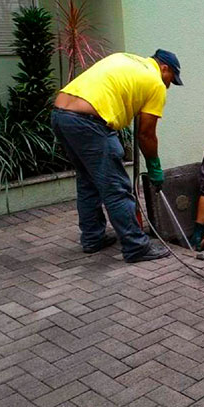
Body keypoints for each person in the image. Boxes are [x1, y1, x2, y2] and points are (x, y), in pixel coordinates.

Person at [51, 50, 182, 263]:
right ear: (164, 68)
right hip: (88, 122)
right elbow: (146, 134)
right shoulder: (155, 82)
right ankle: (136, 247)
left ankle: (93, 238)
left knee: (87, 181)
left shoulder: (126, 58)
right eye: (171, 80)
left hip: (60, 115)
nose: (168, 86)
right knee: (117, 188)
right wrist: (154, 166)